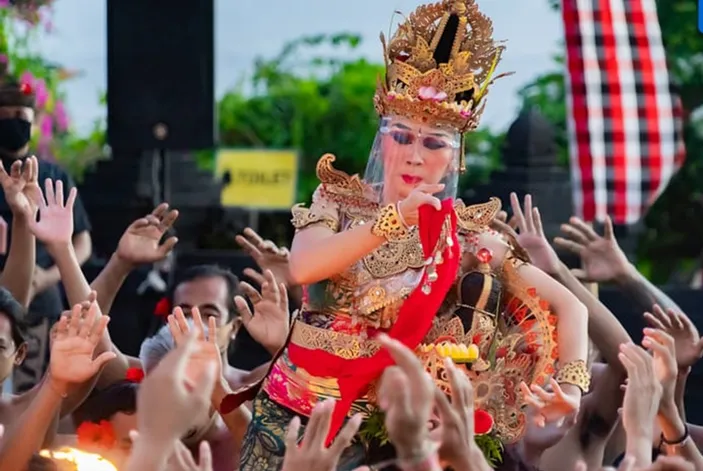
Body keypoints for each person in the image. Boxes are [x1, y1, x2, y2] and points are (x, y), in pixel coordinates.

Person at [232, 0, 590, 469]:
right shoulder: (337, 202)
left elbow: (572, 306)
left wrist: (569, 391)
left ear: (454, 157)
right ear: (382, 139)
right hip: (294, 411)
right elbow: (304, 266)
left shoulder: (465, 237)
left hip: (393, 431)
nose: (415, 155)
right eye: (401, 136)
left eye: (433, 143)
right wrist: (393, 220)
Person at [0, 71, 92, 393]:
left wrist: (47, 277)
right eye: (6, 116)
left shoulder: (52, 176)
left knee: (31, 394)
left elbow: (82, 243)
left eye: (20, 117)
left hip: (40, 308)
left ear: (33, 121)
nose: (13, 122)